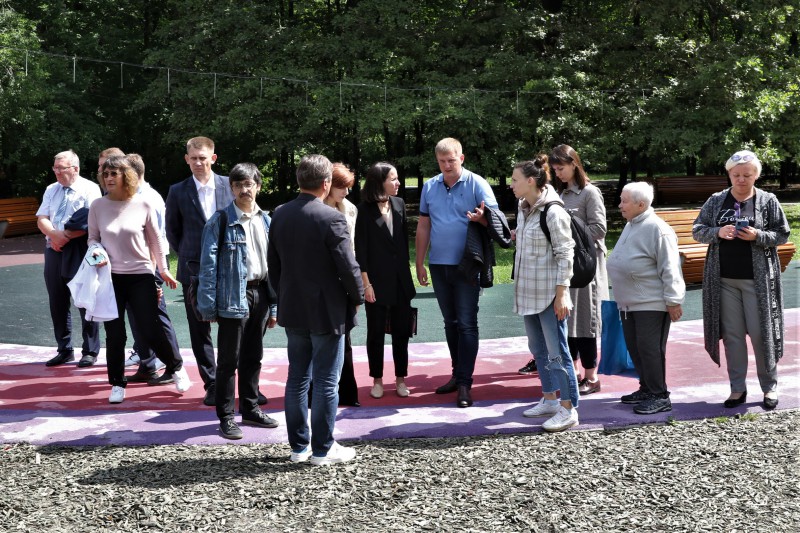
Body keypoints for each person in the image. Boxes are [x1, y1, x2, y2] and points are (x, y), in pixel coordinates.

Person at [267, 154, 364, 466]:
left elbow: (274, 265)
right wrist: (358, 296)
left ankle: (299, 447)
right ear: (326, 183)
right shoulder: (331, 218)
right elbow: (347, 266)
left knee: (297, 378)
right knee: (325, 381)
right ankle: (323, 448)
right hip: (327, 310)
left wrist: (283, 295)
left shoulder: (280, 214)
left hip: (294, 306)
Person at [88, 156, 190, 404]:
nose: (109, 178)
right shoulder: (97, 206)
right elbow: (92, 238)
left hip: (141, 276)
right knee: (115, 335)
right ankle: (117, 383)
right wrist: (96, 252)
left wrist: (163, 270)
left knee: (150, 329)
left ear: (126, 176)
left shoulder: (143, 204)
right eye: (106, 174)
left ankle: (176, 367)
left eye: (114, 173)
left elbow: (156, 240)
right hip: (110, 278)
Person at [692, 150, 790, 410]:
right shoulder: (716, 200)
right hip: (724, 281)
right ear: (729, 174)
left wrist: (758, 236)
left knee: (761, 334)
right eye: (736, 175)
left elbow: (782, 234)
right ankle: (737, 389)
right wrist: (718, 231)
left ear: (756, 175)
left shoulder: (768, 200)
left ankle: (769, 387)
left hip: (757, 281)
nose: (741, 179)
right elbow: (697, 230)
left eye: (747, 175)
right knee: (733, 337)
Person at [415, 137, 499, 408]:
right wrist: (419, 262)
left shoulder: (477, 183)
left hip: (468, 264)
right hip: (439, 265)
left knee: (466, 323)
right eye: (442, 161)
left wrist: (482, 219)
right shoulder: (430, 186)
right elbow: (424, 225)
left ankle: (465, 382)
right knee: (450, 322)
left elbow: (496, 221)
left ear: (461, 158)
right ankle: (456, 374)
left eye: (451, 160)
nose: (447, 165)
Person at [198, 163, 279, 439]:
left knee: (253, 356)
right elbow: (208, 266)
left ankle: (251, 408)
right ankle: (226, 416)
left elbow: (274, 265)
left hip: (261, 294)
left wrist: (274, 304)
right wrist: (208, 306)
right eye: (238, 185)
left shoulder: (267, 221)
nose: (244, 189)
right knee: (228, 360)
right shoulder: (219, 221)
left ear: (258, 186)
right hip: (233, 296)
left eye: (249, 184)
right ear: (231, 188)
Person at [165, 137, 240, 406]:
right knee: (199, 330)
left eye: (203, 158)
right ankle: (212, 384)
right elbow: (172, 231)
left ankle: (236, 384)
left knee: (234, 327)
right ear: (187, 159)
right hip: (193, 270)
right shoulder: (177, 191)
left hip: (230, 268)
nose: (198, 162)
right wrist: (191, 254)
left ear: (213, 158)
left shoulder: (231, 185)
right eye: (193, 158)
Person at [510, 157, 579, 432]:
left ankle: (569, 408)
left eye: (515, 180)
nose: (511, 184)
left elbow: (565, 254)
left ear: (530, 181)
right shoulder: (523, 207)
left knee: (557, 353)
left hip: (550, 295)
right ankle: (550, 399)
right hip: (528, 293)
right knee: (538, 350)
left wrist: (562, 294)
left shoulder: (553, 211)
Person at [606, 182, 685, 415]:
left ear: (641, 204)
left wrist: (673, 300)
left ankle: (659, 395)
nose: (620, 205)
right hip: (628, 303)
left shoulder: (657, 229)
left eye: (624, 201)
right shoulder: (632, 224)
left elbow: (670, 267)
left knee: (650, 349)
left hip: (651, 302)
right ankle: (647, 388)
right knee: (636, 348)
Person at [549, 144, 609, 395]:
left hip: (586, 268)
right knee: (566, 320)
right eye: (554, 169)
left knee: (585, 322)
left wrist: (570, 234)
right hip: (565, 267)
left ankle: (591, 377)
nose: (558, 173)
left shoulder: (589, 193)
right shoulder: (557, 194)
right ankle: (571, 374)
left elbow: (600, 229)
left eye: (561, 168)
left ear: (574, 164)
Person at [36, 150, 102, 367]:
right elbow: (42, 218)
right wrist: (54, 235)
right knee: (57, 300)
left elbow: (92, 221)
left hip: (79, 248)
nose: (56, 172)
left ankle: (90, 350)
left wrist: (63, 237)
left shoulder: (90, 188)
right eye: (55, 168)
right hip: (53, 247)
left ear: (75, 168)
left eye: (61, 168)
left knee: (85, 299)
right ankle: (64, 349)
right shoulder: (51, 189)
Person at [355, 162, 416, 400]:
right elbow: (361, 250)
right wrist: (366, 284)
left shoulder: (399, 204)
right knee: (376, 333)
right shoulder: (363, 210)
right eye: (393, 179)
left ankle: (401, 379)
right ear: (379, 182)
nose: (398, 183)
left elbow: (402, 246)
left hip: (401, 281)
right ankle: (377, 380)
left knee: (402, 332)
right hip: (376, 283)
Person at [124, 153, 172, 384]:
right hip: (135, 266)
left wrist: (152, 277)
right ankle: (147, 364)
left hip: (149, 266)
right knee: (137, 318)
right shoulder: (130, 196)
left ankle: (172, 365)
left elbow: (156, 240)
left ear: (132, 173)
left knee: (156, 317)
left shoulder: (150, 198)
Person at [321, 163, 360, 407]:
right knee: (320, 338)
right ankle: (316, 393)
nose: (346, 191)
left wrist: (357, 287)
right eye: (341, 187)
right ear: (328, 185)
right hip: (322, 282)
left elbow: (352, 251)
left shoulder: (351, 209)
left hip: (345, 280)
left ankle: (347, 393)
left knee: (345, 338)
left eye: (348, 187)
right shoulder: (317, 210)